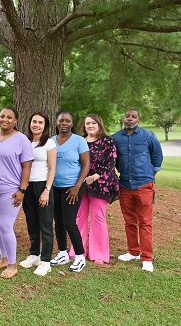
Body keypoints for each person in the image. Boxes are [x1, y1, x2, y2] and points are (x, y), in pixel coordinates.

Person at [112, 109, 163, 272]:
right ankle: (133, 251)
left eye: (134, 117)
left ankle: (147, 257)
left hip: (144, 184)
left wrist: (150, 175)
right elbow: (115, 161)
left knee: (145, 222)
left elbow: (157, 158)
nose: (130, 119)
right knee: (129, 221)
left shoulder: (148, 136)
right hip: (125, 185)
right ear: (123, 118)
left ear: (138, 120)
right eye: (127, 116)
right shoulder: (116, 138)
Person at [0, 107, 33, 279]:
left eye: (9, 117)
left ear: (15, 121)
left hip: (11, 190)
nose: (4, 119)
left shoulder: (22, 140)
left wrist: (22, 190)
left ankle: (13, 266)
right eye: (2, 116)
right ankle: (4, 259)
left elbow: (27, 167)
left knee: (6, 226)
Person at [69, 114, 119, 265]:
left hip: (100, 184)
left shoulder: (107, 141)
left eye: (93, 123)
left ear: (99, 124)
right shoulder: (79, 141)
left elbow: (111, 163)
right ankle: (79, 250)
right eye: (87, 123)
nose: (90, 126)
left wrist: (94, 177)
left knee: (98, 217)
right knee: (79, 217)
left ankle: (99, 254)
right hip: (81, 183)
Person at [50, 110, 90, 272]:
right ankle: (62, 253)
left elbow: (86, 165)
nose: (64, 123)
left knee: (69, 222)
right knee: (58, 223)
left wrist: (77, 187)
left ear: (72, 124)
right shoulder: (51, 141)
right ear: (57, 122)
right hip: (55, 187)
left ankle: (80, 256)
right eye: (61, 121)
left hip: (73, 188)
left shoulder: (79, 141)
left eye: (67, 121)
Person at [20, 111, 56, 276]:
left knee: (45, 224)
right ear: (29, 123)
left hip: (43, 186)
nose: (36, 125)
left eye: (40, 122)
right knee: (32, 222)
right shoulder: (25, 142)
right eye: (34, 121)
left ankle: (46, 260)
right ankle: (34, 254)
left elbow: (52, 168)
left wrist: (46, 191)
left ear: (45, 126)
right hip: (27, 187)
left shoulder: (49, 144)